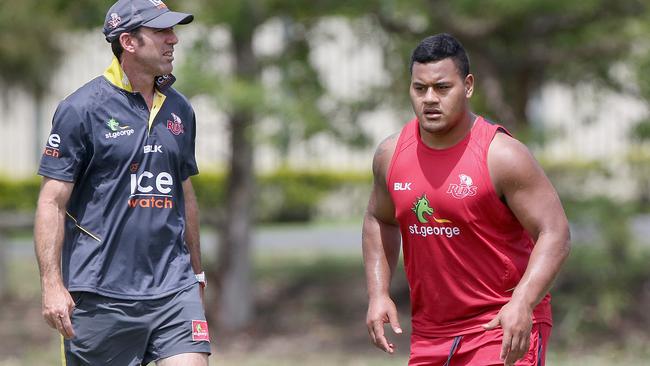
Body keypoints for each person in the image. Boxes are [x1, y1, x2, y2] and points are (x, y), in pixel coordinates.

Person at [362, 33, 571, 366]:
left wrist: (522, 302)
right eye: (420, 88)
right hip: (431, 334)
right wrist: (378, 293)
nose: (430, 99)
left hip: (499, 327)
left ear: (468, 86)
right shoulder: (391, 155)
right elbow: (379, 218)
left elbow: (555, 231)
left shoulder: (502, 155)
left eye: (442, 88)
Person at [34, 1, 210, 365]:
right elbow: (51, 202)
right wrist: (52, 285)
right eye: (161, 32)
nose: (173, 40)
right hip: (101, 294)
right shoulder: (80, 109)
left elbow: (184, 192)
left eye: (172, 31)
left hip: (174, 288)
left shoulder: (180, 109)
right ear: (128, 42)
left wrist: (196, 271)